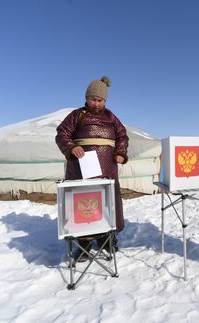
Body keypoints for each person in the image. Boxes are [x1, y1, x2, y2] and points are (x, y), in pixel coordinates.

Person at [56, 76, 129, 261]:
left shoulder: (111, 117)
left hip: (107, 169)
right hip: (81, 168)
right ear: (87, 98)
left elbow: (122, 136)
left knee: (108, 201)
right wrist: (72, 147)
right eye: (93, 99)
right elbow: (62, 133)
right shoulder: (77, 115)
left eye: (100, 100)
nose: (96, 103)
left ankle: (108, 237)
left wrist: (120, 152)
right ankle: (84, 244)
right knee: (83, 202)